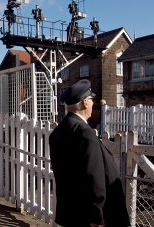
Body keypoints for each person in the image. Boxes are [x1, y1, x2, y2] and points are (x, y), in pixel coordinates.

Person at [49, 79, 130, 227]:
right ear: (85, 102)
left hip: (71, 212)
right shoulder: (84, 132)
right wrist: (97, 216)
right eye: (91, 100)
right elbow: (93, 176)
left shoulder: (58, 131)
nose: (93, 103)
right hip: (88, 216)